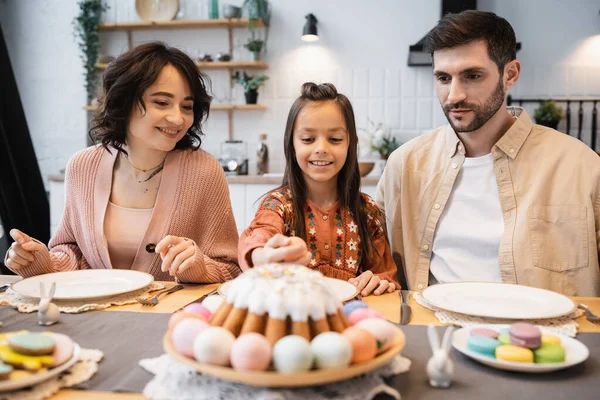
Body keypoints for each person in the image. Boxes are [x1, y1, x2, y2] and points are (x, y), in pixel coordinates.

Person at [376, 10, 600, 296]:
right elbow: (365, 255)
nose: (454, 95)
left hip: (541, 337)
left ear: (510, 74)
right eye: (443, 78)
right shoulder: (404, 165)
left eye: (472, 76)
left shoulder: (580, 166)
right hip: (435, 333)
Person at [5, 42, 241, 283]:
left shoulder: (203, 171)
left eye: (187, 106)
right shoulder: (83, 165)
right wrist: (38, 261)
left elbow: (230, 268)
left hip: (170, 317)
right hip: (96, 314)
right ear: (124, 101)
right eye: (161, 102)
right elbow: (71, 250)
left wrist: (198, 266)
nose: (177, 118)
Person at [238, 82, 399, 296]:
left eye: (335, 139)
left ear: (351, 143)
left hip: (350, 319)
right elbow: (257, 241)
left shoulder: (367, 211)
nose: (321, 149)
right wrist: (262, 256)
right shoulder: (277, 205)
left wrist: (379, 281)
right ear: (291, 144)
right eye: (307, 139)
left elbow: (386, 277)